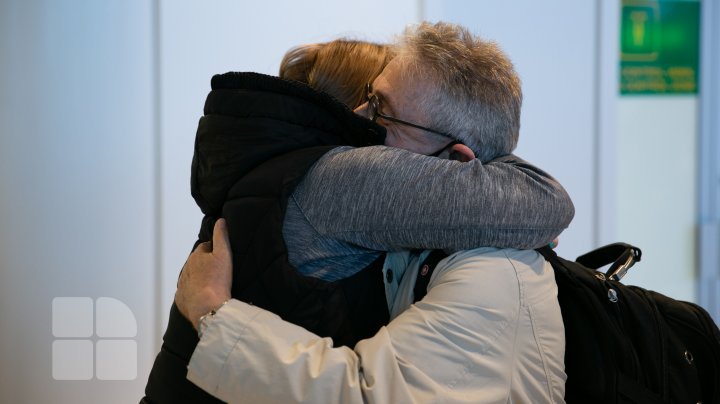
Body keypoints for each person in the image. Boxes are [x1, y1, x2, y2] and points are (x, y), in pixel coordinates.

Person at [174, 22, 570, 403]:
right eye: (367, 94)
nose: (361, 116)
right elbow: (548, 202)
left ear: (454, 163)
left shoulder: (299, 168)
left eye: (382, 108)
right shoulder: (345, 177)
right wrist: (501, 214)